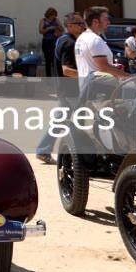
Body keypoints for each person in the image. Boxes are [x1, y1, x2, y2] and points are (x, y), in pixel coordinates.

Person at [37, 13, 84, 162]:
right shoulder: (69, 43)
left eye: (82, 23)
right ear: (69, 26)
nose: (83, 25)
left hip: (65, 88)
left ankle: (45, 150)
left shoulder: (63, 39)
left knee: (66, 119)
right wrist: (88, 76)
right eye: (79, 23)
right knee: (76, 119)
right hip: (70, 89)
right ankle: (46, 150)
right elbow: (67, 70)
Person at [75, 6, 128, 91]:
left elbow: (92, 65)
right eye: (106, 19)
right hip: (99, 91)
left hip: (87, 89)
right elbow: (104, 67)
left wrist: (112, 66)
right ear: (95, 22)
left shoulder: (81, 38)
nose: (108, 22)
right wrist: (129, 77)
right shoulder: (94, 40)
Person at [39, 7, 63, 77]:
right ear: (49, 14)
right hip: (46, 41)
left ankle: (56, 75)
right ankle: (48, 76)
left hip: (55, 41)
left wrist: (57, 28)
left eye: (55, 15)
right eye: (53, 15)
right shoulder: (43, 20)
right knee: (48, 59)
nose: (54, 17)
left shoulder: (56, 20)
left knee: (55, 59)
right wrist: (49, 28)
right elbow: (40, 31)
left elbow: (62, 28)